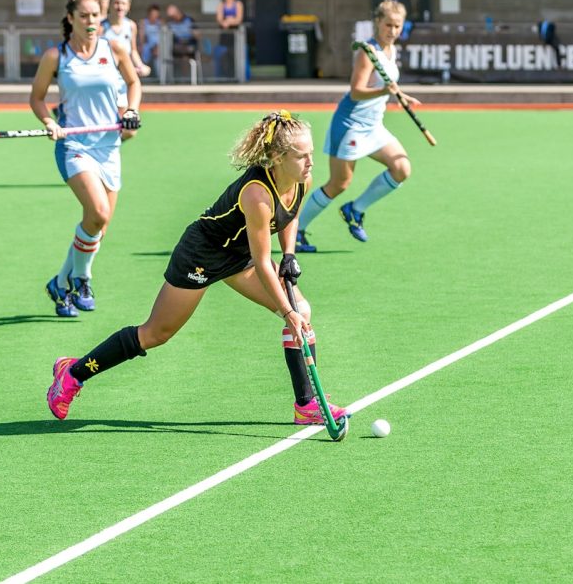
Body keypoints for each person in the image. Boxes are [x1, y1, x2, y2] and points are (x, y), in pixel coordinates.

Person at [45, 111, 347, 426]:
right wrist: (287, 313)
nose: (311, 162)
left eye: (311, 154)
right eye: (302, 157)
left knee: (303, 311)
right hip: (202, 254)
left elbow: (289, 212)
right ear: (277, 158)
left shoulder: (301, 179)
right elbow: (260, 262)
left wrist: (288, 253)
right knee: (156, 333)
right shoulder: (257, 194)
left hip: (238, 253)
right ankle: (73, 373)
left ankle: (307, 405)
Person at [29, 0, 142, 318]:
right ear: (71, 18)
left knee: (97, 228)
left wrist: (131, 111)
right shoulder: (56, 56)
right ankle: (82, 277)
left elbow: (133, 83)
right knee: (98, 213)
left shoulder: (115, 48)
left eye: (95, 15)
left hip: (109, 146)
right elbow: (36, 98)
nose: (91, 21)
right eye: (84, 16)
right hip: (75, 145)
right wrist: (50, 122)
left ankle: (60, 283)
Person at [295, 0, 421, 249]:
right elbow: (356, 92)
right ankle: (297, 231)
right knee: (339, 184)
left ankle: (355, 209)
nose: (393, 31)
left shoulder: (391, 50)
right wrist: (384, 90)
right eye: (388, 25)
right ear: (378, 22)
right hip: (350, 124)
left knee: (401, 168)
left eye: (397, 26)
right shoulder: (368, 52)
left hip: (374, 126)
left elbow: (385, 86)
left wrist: (398, 94)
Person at [100, 0, 151, 113]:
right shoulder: (100, 27)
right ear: (110, 4)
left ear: (128, 6)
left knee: (126, 126)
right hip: (104, 81)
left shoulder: (131, 26)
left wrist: (140, 65)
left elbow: (133, 50)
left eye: (123, 3)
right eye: (116, 3)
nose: (120, 7)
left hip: (124, 81)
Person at [215, 0, 244, 78]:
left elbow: (239, 19)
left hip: (236, 35)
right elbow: (219, 19)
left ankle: (236, 75)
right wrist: (227, 21)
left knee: (234, 55)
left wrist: (229, 21)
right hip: (224, 35)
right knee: (224, 55)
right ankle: (225, 76)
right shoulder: (221, 5)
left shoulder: (238, 4)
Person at [138, 4, 163, 71]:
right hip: (147, 44)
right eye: (153, 14)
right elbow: (141, 37)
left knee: (158, 52)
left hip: (158, 45)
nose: (154, 16)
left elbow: (164, 36)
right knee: (144, 50)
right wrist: (141, 46)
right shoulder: (143, 22)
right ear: (149, 14)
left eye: (156, 14)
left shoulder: (160, 23)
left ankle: (159, 76)